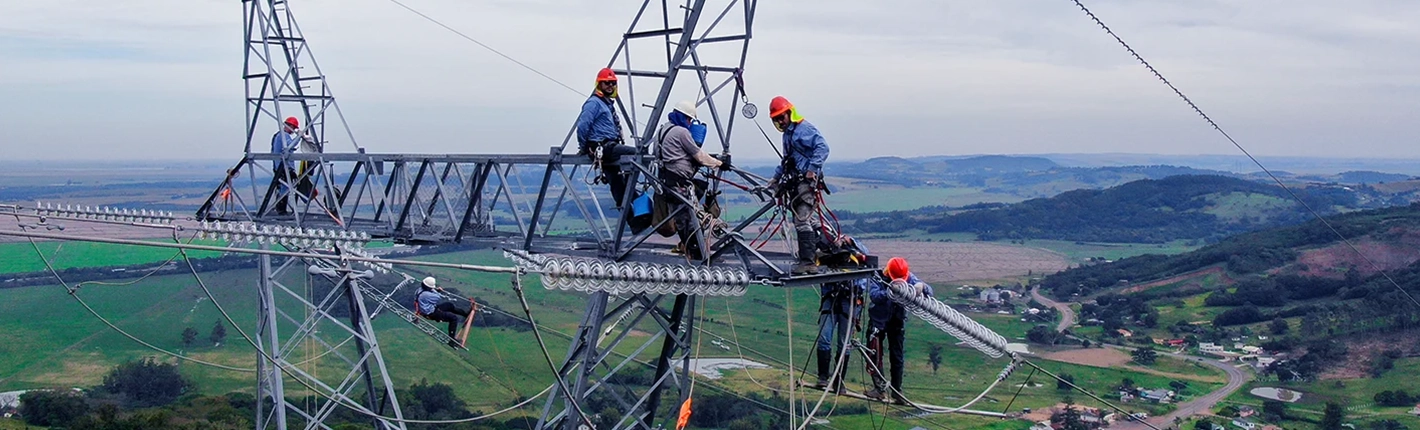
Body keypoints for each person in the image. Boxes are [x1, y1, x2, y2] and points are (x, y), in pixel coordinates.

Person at [766, 96, 830, 275]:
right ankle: (827, 247)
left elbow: (823, 148)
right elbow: (787, 160)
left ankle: (808, 262)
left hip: (805, 182)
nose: (780, 121)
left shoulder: (803, 129)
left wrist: (812, 170)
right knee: (808, 219)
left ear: (789, 114)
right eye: (776, 119)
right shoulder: (789, 134)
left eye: (781, 117)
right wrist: (776, 178)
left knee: (802, 220)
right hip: (796, 181)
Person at [655, 100, 724, 260]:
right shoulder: (681, 132)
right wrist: (719, 163)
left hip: (667, 182)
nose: (690, 123)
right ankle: (696, 253)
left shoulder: (662, 130)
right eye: (689, 120)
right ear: (683, 117)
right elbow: (698, 155)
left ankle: (689, 248)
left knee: (681, 219)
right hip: (680, 182)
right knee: (689, 218)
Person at [861, 257, 933, 404]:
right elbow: (875, 296)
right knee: (874, 354)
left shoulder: (909, 278)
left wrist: (922, 286)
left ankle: (897, 391)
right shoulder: (878, 277)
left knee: (897, 356)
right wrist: (891, 291)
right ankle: (879, 389)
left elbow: (930, 292)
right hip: (878, 321)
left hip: (896, 321)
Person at [576, 68, 638, 208]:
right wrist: (585, 147)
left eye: (613, 83)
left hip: (607, 147)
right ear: (599, 84)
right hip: (602, 147)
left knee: (617, 185)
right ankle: (631, 190)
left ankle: (635, 220)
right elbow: (583, 125)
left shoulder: (606, 104)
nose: (610, 86)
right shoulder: (594, 103)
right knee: (638, 155)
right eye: (606, 83)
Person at [812, 279, 862, 393]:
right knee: (824, 337)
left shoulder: (857, 263)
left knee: (844, 343)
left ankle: (839, 381)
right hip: (831, 296)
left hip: (849, 299)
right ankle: (823, 376)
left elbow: (861, 283)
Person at [415, 276, 470, 348]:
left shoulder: (419, 290)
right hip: (431, 313)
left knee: (449, 305)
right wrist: (437, 290)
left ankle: (465, 314)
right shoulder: (426, 295)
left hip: (430, 310)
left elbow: (430, 294)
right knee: (453, 318)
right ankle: (452, 340)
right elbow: (437, 297)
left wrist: (435, 290)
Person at [269, 116, 303, 215]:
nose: (293, 131)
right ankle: (281, 210)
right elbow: (289, 146)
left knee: (283, 188)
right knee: (284, 188)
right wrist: (299, 136)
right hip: (283, 167)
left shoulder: (279, 135)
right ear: (289, 126)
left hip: (281, 166)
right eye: (294, 128)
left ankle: (281, 209)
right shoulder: (283, 136)